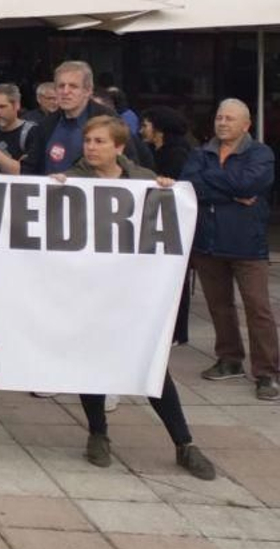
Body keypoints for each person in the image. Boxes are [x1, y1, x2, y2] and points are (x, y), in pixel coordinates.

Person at [45, 115, 217, 479]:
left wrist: (169, 192)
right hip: (90, 290)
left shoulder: (141, 181)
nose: (90, 147)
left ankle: (184, 442)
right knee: (92, 365)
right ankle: (97, 433)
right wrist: (51, 188)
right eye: (88, 140)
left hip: (132, 293)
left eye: (99, 141)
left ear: (119, 147)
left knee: (151, 364)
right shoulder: (73, 181)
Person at [183, 98, 278, 401]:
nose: (222, 123)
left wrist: (222, 188)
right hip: (208, 243)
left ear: (246, 125)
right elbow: (190, 184)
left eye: (230, 119)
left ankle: (267, 373)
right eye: (219, 117)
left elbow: (249, 184)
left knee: (258, 309)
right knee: (218, 306)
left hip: (247, 244)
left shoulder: (260, 153)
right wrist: (232, 192)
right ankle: (229, 358)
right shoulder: (201, 153)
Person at [19, 61, 142, 177]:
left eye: (73, 86)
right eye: (61, 86)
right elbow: (30, 168)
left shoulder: (109, 119)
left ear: (88, 91)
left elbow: (132, 165)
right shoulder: (46, 124)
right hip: (52, 197)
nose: (66, 92)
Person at [141, 106, 197, 343]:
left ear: (158, 129)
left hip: (172, 223)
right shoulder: (155, 150)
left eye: (146, 125)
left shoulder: (176, 153)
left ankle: (177, 332)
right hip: (159, 222)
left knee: (176, 279)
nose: (142, 130)